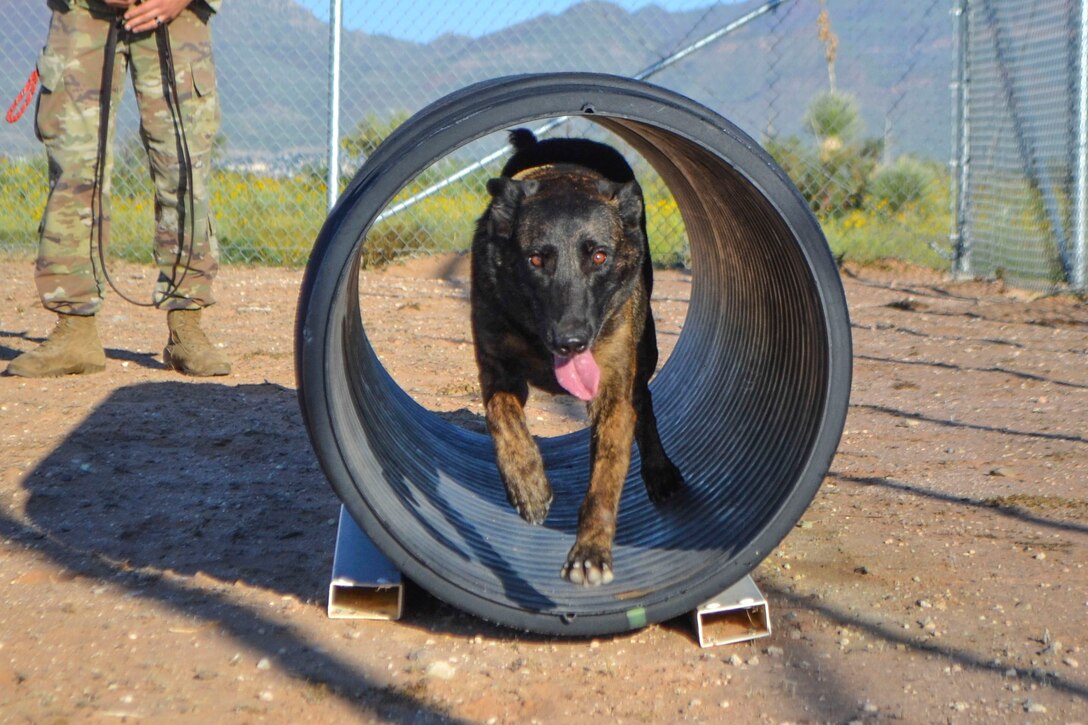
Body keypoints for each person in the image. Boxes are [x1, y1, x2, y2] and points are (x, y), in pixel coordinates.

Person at [6, 0, 230, 377]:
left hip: (177, 16)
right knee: (74, 168)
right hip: (84, 11)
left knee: (184, 167)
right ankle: (74, 332)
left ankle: (186, 327)